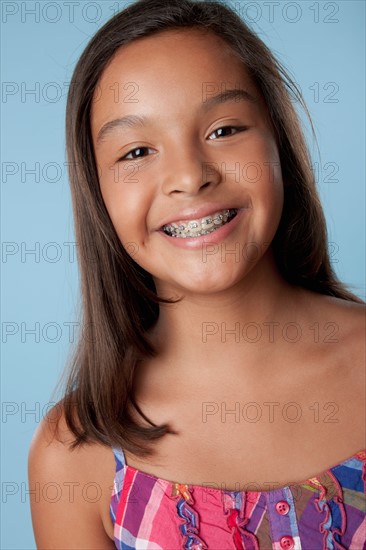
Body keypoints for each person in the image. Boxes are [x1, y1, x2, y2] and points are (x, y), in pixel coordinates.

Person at [28, 0, 365, 548]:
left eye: (225, 129)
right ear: (98, 194)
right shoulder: (74, 455)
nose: (189, 176)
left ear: (279, 140)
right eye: (137, 150)